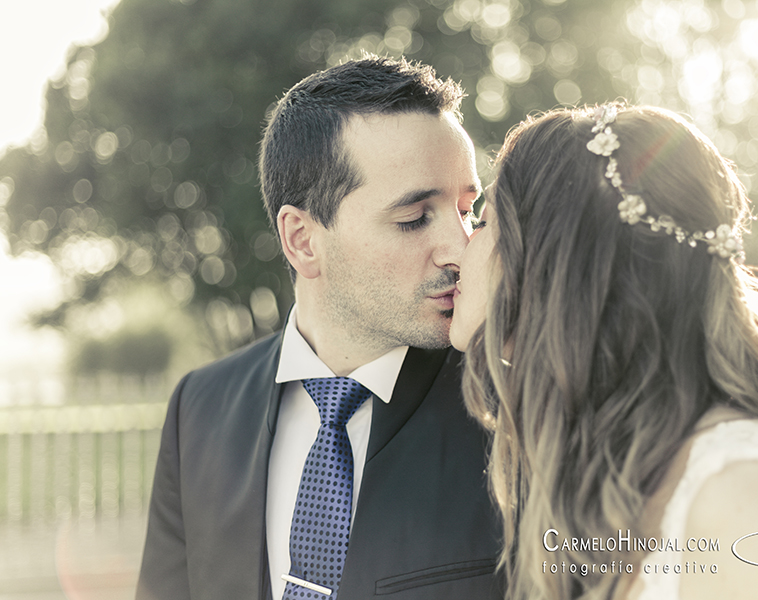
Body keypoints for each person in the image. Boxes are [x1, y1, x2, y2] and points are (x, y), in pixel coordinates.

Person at [450, 104, 758, 600]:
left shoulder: (745, 490)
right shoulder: (616, 480)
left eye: (484, 222)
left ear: (557, 263)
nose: (460, 245)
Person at [137, 57, 503, 600]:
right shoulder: (199, 409)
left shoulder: (512, 406)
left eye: (468, 209)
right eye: (414, 218)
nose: (460, 246)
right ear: (304, 240)